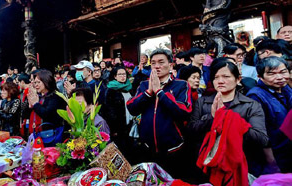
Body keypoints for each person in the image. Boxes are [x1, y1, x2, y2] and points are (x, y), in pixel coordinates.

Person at [189, 58, 273, 178]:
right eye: (216, 77)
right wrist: (212, 119)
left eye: (226, 76)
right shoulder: (202, 103)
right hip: (209, 164)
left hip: (241, 165)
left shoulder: (250, 105)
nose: (220, 81)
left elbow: (261, 139)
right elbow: (191, 132)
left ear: (238, 79)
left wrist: (230, 120)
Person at [127, 48, 192, 178]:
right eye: (154, 63)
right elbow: (132, 108)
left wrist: (160, 93)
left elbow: (183, 112)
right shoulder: (144, 85)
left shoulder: (181, 85)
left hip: (173, 149)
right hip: (147, 148)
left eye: (161, 62)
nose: (157, 66)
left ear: (171, 64)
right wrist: (148, 93)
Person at [247, 56, 292, 173]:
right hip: (275, 155)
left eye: (283, 72)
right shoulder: (255, 96)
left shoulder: (286, 88)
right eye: (272, 74)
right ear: (260, 77)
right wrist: (272, 163)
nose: (279, 77)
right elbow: (260, 135)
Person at [105, 66, 134, 160]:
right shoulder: (111, 90)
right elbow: (109, 111)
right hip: (118, 127)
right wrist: (113, 129)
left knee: (131, 150)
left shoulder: (129, 88)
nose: (123, 76)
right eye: (120, 74)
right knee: (121, 150)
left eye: (124, 74)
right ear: (115, 76)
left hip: (130, 124)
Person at [27, 69, 66, 138]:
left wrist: (35, 104)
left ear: (46, 81)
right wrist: (30, 105)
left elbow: (47, 114)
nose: (36, 85)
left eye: (38, 82)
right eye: (35, 83)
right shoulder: (41, 96)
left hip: (52, 135)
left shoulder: (55, 97)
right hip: (41, 133)